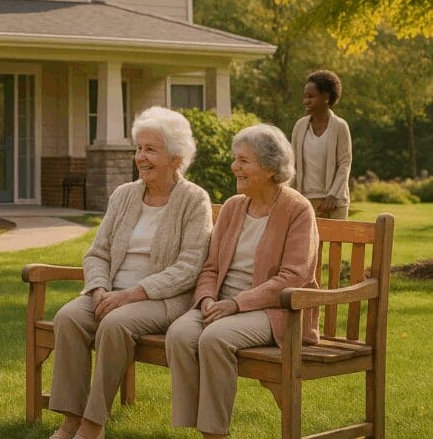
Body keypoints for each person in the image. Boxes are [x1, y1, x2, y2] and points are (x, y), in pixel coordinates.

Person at [48, 106, 213, 439]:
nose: (141, 157)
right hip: (111, 292)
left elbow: (189, 266)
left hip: (163, 299)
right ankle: (70, 420)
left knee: (115, 323)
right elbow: (97, 252)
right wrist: (97, 290)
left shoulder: (195, 200)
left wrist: (132, 294)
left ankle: (93, 425)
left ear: (176, 158)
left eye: (151, 150)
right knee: (68, 317)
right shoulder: (123, 195)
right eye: (139, 149)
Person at [166, 123, 320, 439]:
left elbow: (294, 276)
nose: (234, 167)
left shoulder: (297, 209)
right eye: (236, 159)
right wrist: (207, 299)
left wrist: (236, 304)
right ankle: (194, 423)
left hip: (276, 311)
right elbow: (210, 267)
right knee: (180, 333)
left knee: (215, 338)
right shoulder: (234, 207)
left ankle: (214, 433)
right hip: (222, 303)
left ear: (269, 167)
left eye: (243, 161)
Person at [291, 70, 352, 219]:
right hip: (304, 201)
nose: (306, 101)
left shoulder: (340, 126)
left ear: (326, 97)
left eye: (311, 96)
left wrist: (333, 195)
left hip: (333, 203)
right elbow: (291, 164)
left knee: (334, 243)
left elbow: (345, 163)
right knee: (306, 243)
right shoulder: (300, 126)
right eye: (305, 97)